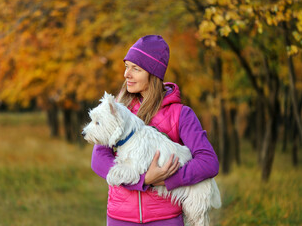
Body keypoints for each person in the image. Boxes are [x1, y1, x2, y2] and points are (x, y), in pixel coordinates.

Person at [91, 35, 219, 225]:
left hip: (164, 219)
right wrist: (143, 179)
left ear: (153, 74)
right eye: (127, 66)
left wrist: (168, 179)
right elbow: (99, 159)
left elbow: (208, 162)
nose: (127, 74)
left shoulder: (181, 114)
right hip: (120, 217)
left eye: (136, 69)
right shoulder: (117, 110)